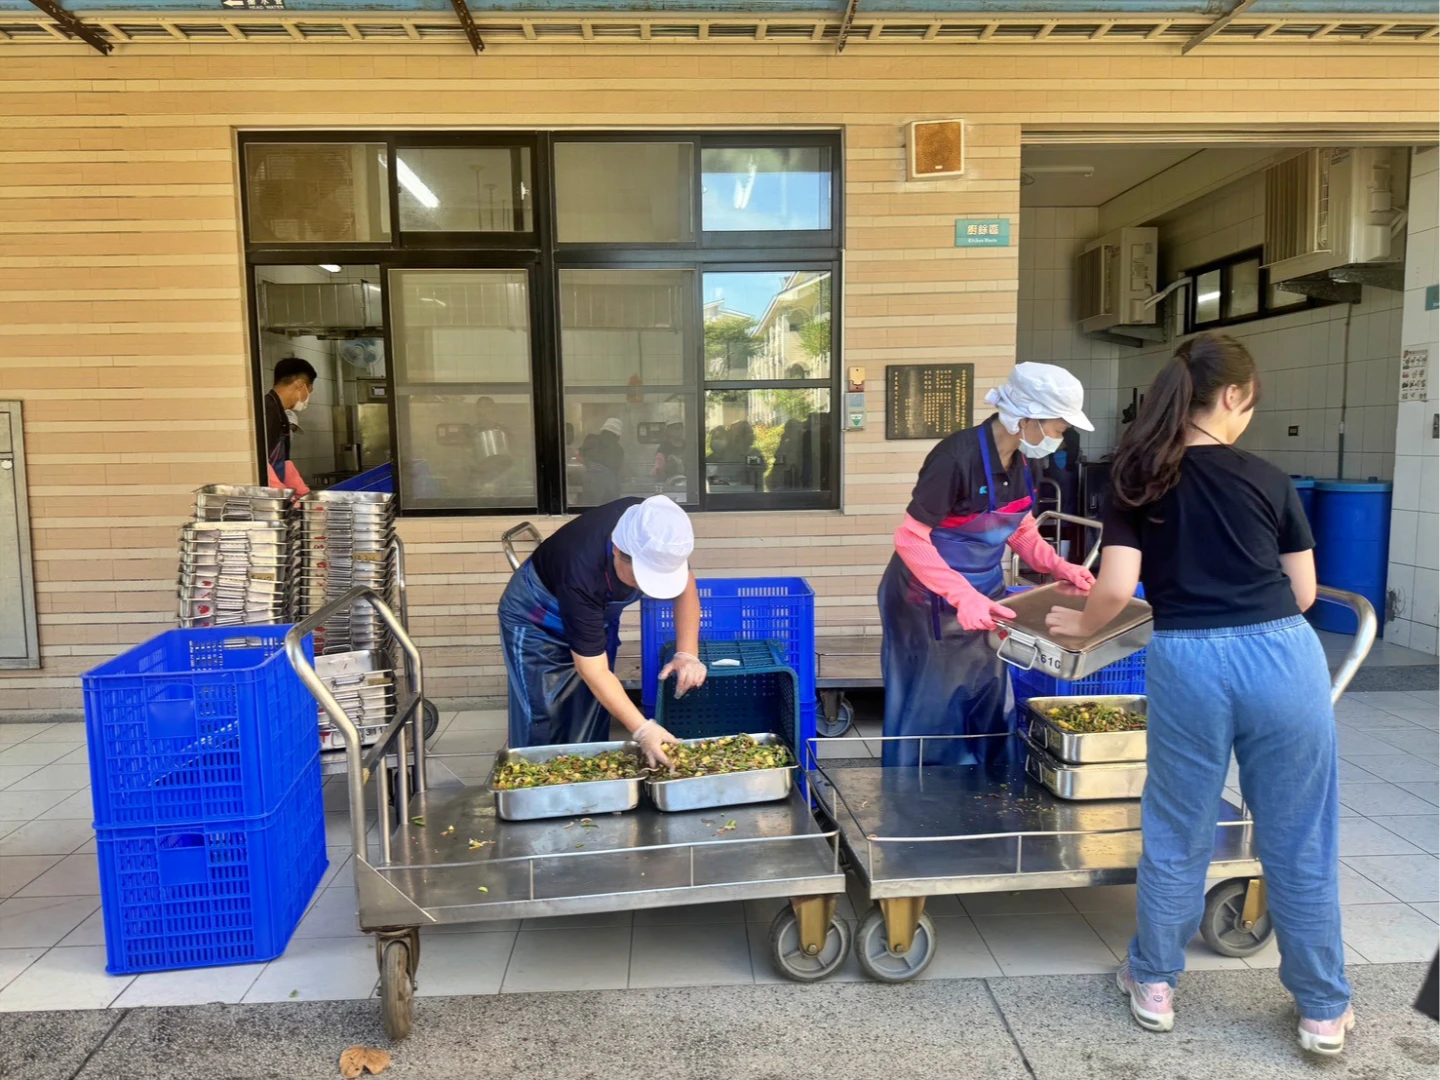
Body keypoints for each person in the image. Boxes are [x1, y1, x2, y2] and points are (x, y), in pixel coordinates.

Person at [1045, 334, 1351, 1056]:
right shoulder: (1269, 478)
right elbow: (1305, 592)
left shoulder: (1137, 477)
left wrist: (1081, 624)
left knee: (1178, 827)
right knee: (1298, 835)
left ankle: (1154, 983)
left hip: (1187, 659)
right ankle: (1321, 1010)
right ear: (1235, 395)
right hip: (1282, 654)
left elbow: (1118, 585)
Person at [879, 363, 1095, 768]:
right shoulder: (954, 458)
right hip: (927, 600)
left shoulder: (1024, 460)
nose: (1060, 436)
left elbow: (1019, 526)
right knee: (935, 703)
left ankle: (986, 786)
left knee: (987, 691)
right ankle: (922, 792)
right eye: (1059, 427)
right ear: (1027, 418)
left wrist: (1056, 565)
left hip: (987, 597)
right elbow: (910, 538)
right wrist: (963, 596)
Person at [498, 494, 706, 766]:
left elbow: (685, 589)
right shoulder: (581, 570)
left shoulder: (657, 529)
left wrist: (687, 653)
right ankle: (538, 784)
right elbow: (592, 669)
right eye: (642, 578)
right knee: (544, 714)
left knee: (592, 708)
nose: (643, 588)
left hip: (595, 615)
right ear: (617, 550)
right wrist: (643, 729)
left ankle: (585, 777)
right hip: (538, 618)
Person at [263, 357, 315, 495]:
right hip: (269, 498)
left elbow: (285, 463)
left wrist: (303, 495)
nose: (308, 397)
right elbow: (262, 465)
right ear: (300, 385)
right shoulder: (266, 411)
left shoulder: (281, 415)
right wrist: (284, 498)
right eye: (309, 391)